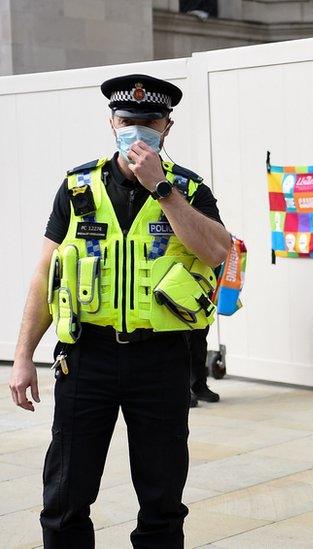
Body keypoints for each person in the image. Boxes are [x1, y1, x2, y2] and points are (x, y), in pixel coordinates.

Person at [6, 74, 231, 548]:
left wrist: (161, 189)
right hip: (87, 358)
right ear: (111, 122)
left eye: (149, 122)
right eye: (127, 121)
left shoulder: (188, 189)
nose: (137, 131)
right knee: (66, 498)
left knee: (162, 500)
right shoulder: (77, 187)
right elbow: (45, 274)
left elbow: (217, 253)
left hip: (162, 360)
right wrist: (24, 355)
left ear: (167, 127)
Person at [189, 326, 220, 408]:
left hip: (199, 316)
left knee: (198, 344)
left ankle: (198, 386)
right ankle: (182, 390)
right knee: (181, 344)